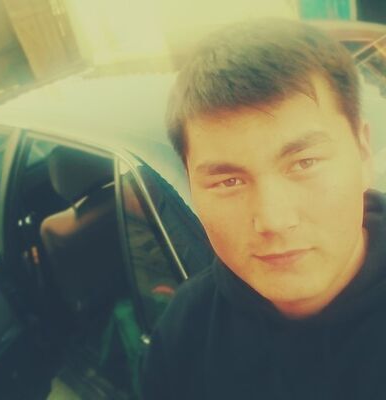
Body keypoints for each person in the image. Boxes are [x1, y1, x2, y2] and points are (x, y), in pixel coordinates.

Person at [141, 18, 386, 399]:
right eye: (229, 182)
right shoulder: (185, 333)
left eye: (304, 163)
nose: (273, 220)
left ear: (364, 153)